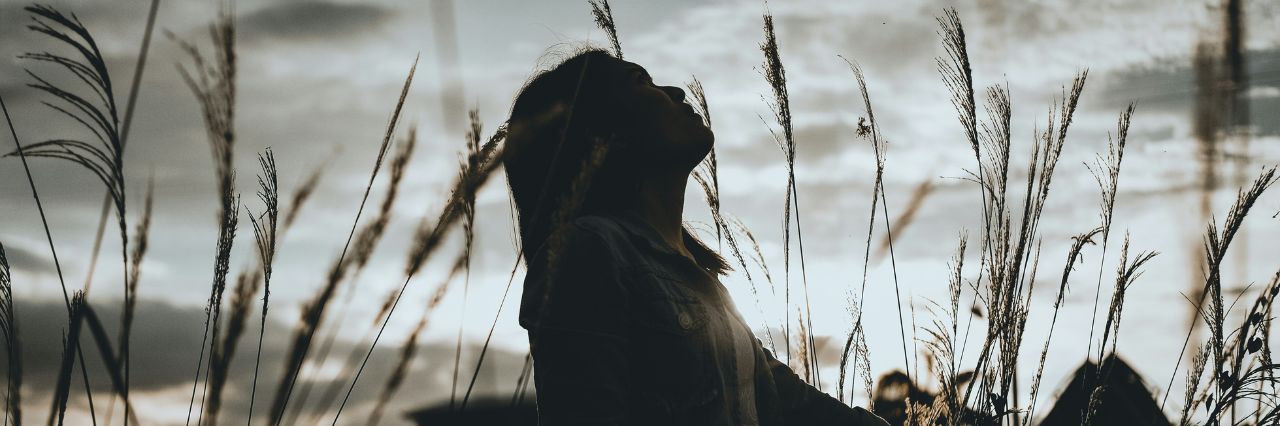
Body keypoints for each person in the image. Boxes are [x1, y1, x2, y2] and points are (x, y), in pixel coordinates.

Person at [504, 48, 889, 426]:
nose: (676, 92)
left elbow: (781, 397)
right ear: (604, 133)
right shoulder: (588, 250)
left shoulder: (697, 273)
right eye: (641, 81)